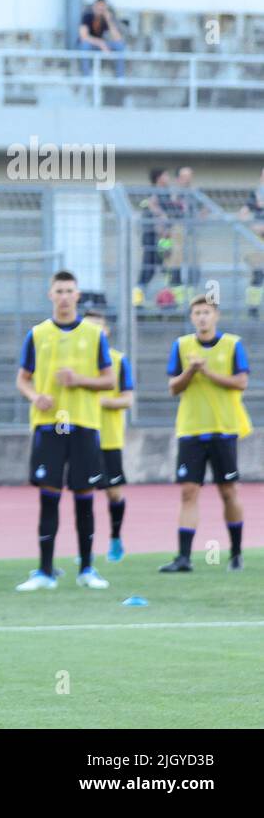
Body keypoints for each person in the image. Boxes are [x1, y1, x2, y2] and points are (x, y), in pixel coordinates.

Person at [14, 270, 115, 592]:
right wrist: (34, 396)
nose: (64, 296)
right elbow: (22, 378)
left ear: (78, 295)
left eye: (69, 291)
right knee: (49, 497)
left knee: (84, 497)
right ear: (50, 295)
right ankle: (44, 571)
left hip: (84, 424)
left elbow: (109, 380)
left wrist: (80, 380)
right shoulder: (38, 334)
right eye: (59, 290)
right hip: (48, 425)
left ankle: (87, 569)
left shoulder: (94, 334)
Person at [160, 296, 250, 574]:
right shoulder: (182, 346)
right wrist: (191, 370)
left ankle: (235, 553)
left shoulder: (232, 345)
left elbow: (240, 382)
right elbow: (174, 387)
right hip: (191, 430)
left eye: (206, 312)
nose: (202, 318)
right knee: (188, 492)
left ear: (216, 316)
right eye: (197, 313)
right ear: (191, 318)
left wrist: (208, 371)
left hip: (223, 430)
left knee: (228, 491)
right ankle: (184, 557)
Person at [83, 309, 134, 562]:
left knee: (113, 492)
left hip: (109, 438)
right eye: (89, 327)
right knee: (84, 494)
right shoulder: (76, 362)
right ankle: (86, 548)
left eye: (98, 327)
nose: (95, 332)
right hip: (82, 438)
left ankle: (115, 539)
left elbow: (128, 399)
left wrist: (101, 401)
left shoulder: (117, 360)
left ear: (106, 332)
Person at [136, 168, 170, 304]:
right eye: (165, 175)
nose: (168, 178)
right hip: (151, 236)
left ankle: (168, 299)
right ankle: (137, 300)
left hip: (164, 238)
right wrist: (161, 216)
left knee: (165, 267)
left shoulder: (165, 194)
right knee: (148, 268)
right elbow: (152, 208)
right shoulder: (153, 193)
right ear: (159, 178)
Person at [237, 169, 264, 318]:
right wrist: (253, 226)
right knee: (258, 274)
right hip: (260, 239)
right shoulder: (257, 194)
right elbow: (243, 213)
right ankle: (252, 308)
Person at [77, 0, 125, 77]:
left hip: (102, 45)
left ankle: (120, 76)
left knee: (119, 45)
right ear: (94, 6)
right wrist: (101, 44)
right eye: (98, 6)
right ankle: (86, 76)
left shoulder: (107, 18)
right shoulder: (87, 16)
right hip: (91, 44)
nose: (100, 9)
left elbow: (117, 38)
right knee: (85, 45)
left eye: (102, 6)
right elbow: (83, 37)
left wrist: (108, 20)